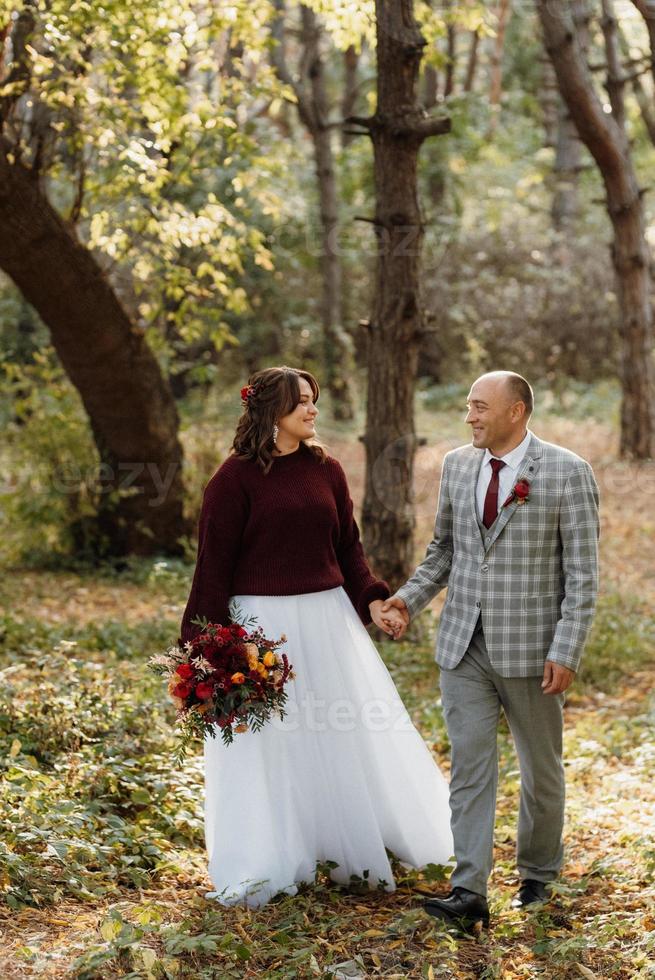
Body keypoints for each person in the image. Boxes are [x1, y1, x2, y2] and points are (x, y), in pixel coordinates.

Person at [179, 365, 453, 908]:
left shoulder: (325, 470)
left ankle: (349, 845)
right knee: (273, 745)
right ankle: (274, 855)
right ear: (269, 409)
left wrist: (375, 601)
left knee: (342, 734)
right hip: (260, 630)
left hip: (328, 621)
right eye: (301, 401)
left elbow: (348, 548)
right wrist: (201, 654)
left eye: (313, 400)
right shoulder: (231, 481)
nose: (312, 410)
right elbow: (211, 570)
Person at [382, 371, 600, 931]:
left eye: (480, 407)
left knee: (541, 770)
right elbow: (444, 552)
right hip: (463, 645)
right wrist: (407, 601)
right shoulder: (457, 465)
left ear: (517, 411)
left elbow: (582, 576)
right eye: (468, 406)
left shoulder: (568, 472)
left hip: (533, 651)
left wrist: (567, 649)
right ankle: (469, 889)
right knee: (471, 769)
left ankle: (538, 876)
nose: (469, 416)